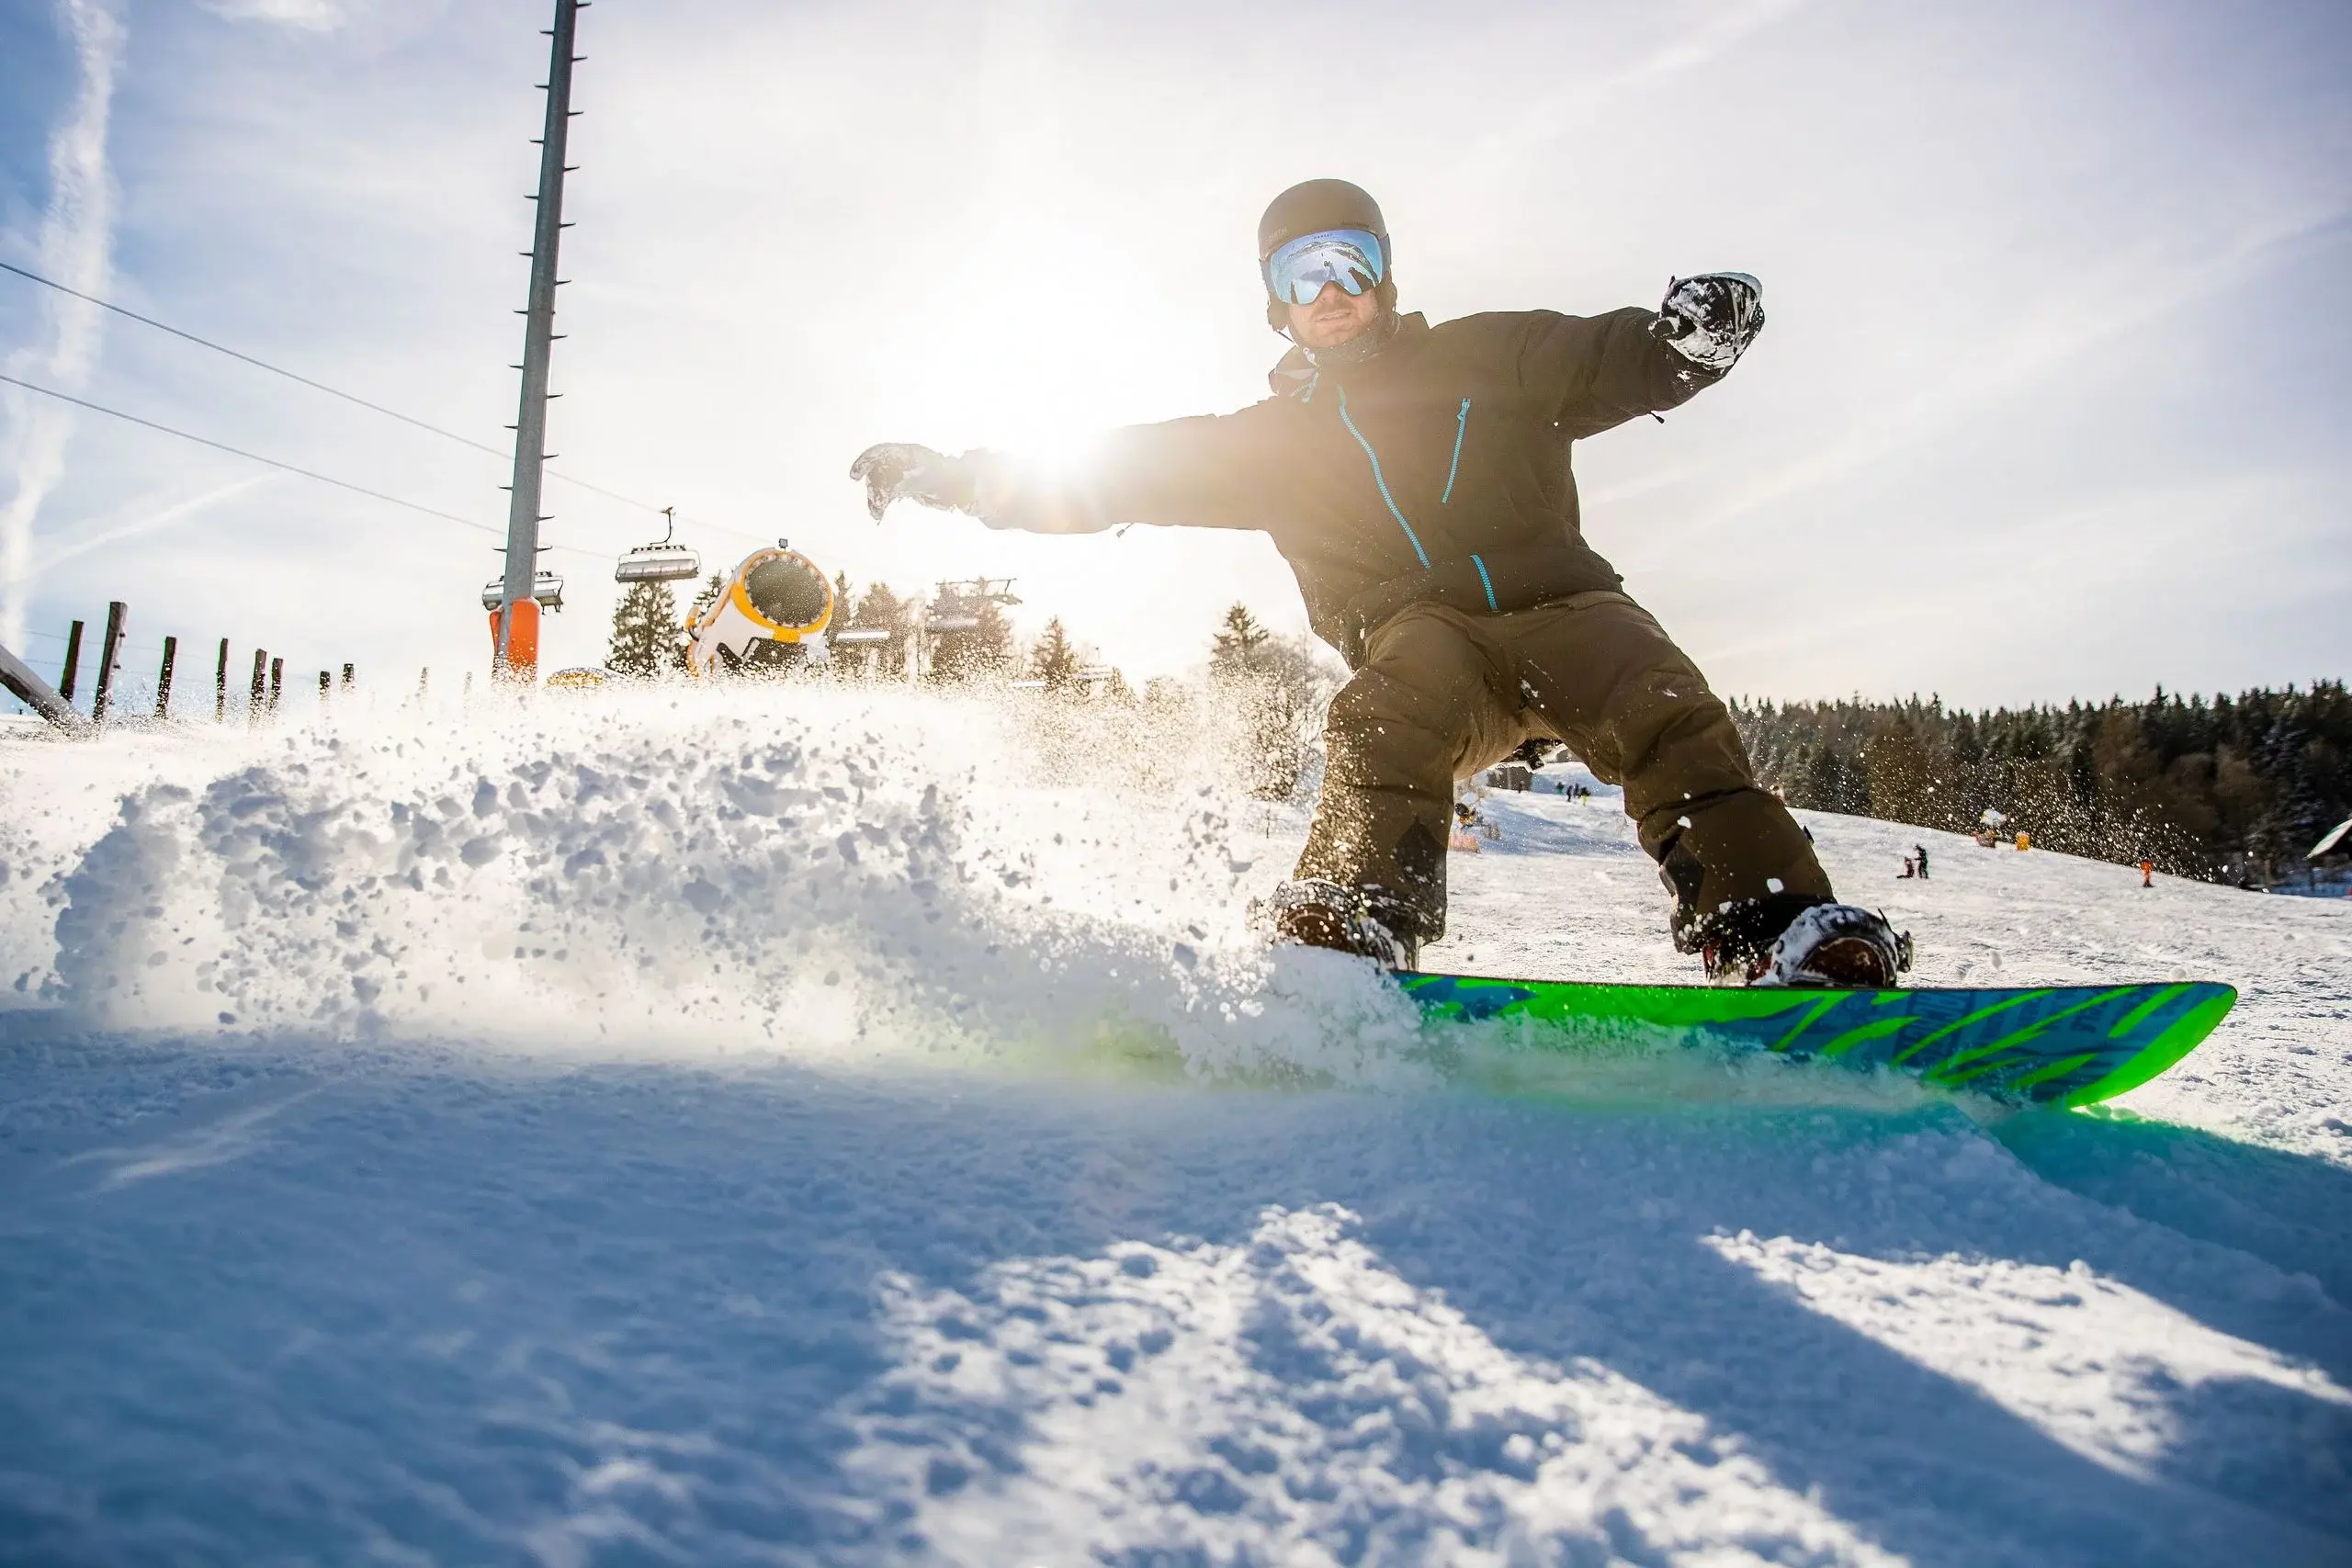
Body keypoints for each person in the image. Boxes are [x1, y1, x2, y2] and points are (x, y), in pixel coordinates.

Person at [853, 178, 1911, 987]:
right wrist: (960, 477)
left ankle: (1772, 924)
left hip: (1561, 609)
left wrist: (1682, 343)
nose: (1330, 293)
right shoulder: (1270, 445)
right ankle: (1351, 919)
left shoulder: (1487, 358)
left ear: (1384, 277)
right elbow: (1116, 470)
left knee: (1657, 698)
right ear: (1274, 300)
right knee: (1385, 711)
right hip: (1424, 641)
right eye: (1300, 273)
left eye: (1349, 264)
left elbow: (1603, 359)